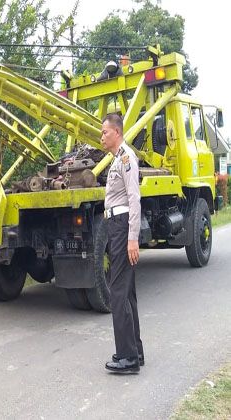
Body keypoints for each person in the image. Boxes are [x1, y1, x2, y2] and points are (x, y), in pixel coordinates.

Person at [100, 113, 144, 374]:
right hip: (116, 226)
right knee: (127, 292)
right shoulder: (117, 159)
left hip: (122, 226)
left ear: (116, 132)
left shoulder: (127, 158)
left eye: (105, 132)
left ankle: (127, 358)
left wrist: (132, 238)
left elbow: (134, 198)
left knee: (117, 291)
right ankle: (135, 351)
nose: (102, 136)